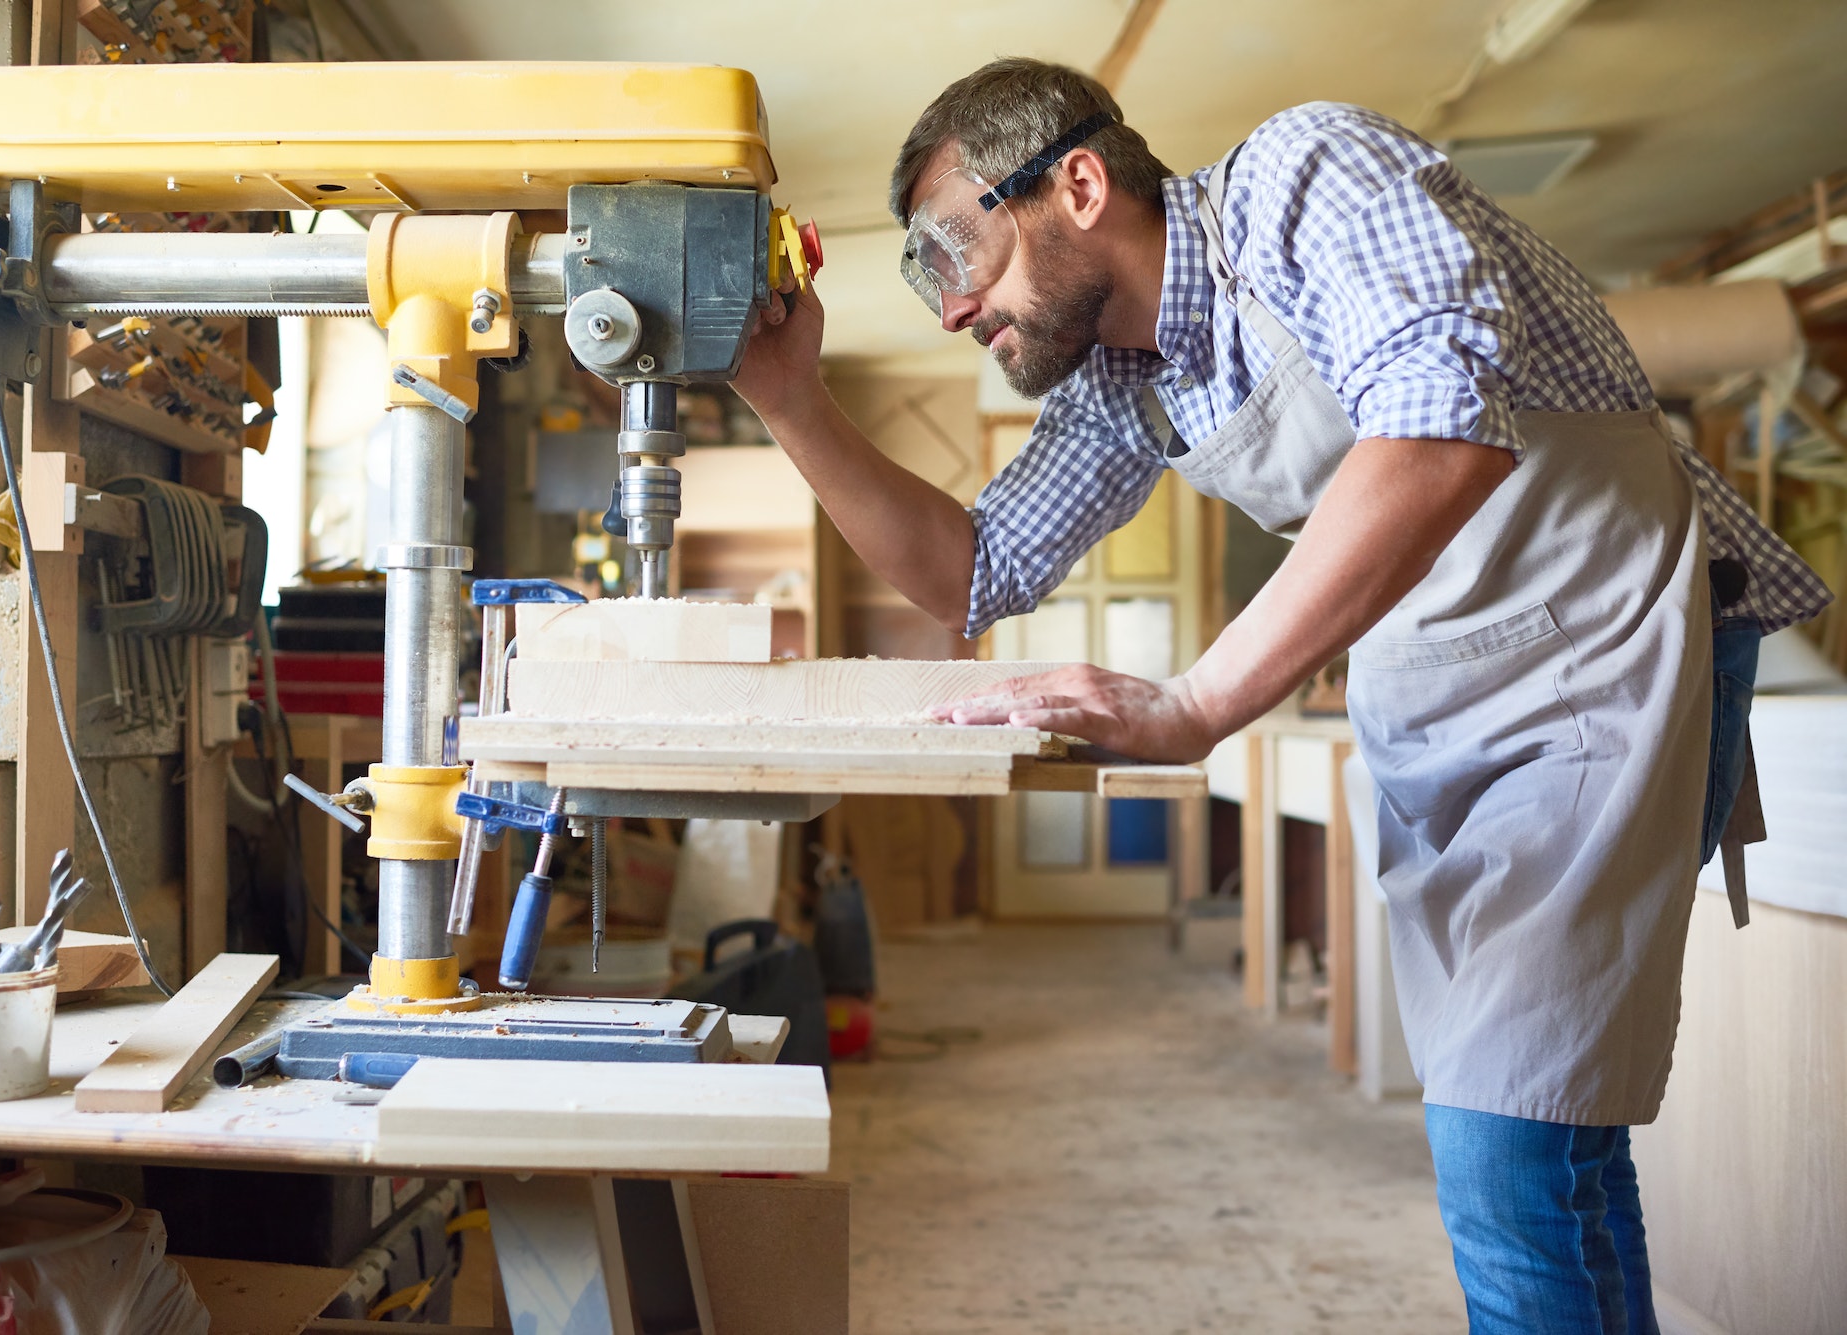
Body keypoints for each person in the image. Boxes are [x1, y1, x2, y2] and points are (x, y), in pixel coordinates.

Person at [732, 57, 1831, 1335]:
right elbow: (965, 570)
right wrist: (786, 398)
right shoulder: (1122, 386)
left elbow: (1433, 431)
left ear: (1075, 184)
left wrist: (1195, 702)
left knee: (1509, 1147)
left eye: (948, 249)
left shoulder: (1304, 182)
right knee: (1552, 1145)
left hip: (1596, 643)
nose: (949, 308)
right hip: (1447, 691)